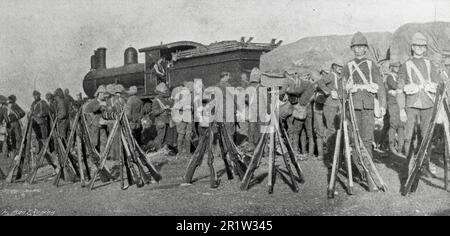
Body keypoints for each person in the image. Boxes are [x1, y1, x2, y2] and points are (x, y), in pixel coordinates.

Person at [343, 32, 386, 191]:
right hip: (353, 107)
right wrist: (345, 90)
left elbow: (380, 85)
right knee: (355, 141)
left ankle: (369, 175)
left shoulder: (371, 64)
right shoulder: (347, 66)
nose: (358, 50)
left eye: (361, 47)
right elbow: (341, 88)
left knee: (367, 141)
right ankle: (360, 170)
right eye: (355, 47)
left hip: (367, 106)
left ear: (365, 49)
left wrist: (382, 105)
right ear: (352, 49)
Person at [398, 32, 442, 176]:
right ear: (412, 47)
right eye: (416, 45)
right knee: (408, 135)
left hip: (428, 104)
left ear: (425, 48)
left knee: (426, 135)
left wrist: (433, 85)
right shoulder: (405, 65)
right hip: (411, 104)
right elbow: (400, 88)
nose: (419, 48)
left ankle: (424, 164)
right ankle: (408, 165)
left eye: (422, 46)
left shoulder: (430, 64)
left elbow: (437, 84)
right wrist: (401, 109)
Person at [317, 62, 344, 158]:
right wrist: (327, 91)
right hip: (330, 105)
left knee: (338, 128)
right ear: (334, 67)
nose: (340, 68)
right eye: (338, 66)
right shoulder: (331, 76)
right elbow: (320, 82)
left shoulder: (340, 77)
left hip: (338, 105)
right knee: (331, 128)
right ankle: (329, 152)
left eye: (341, 66)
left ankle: (336, 151)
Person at [384, 61, 405, 156]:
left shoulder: (398, 77)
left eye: (398, 67)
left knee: (401, 124)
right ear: (391, 67)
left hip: (400, 103)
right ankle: (391, 145)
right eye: (395, 67)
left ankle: (400, 147)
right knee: (393, 124)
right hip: (392, 103)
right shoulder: (389, 77)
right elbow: (395, 86)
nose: (397, 68)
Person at [84, 85, 109, 154]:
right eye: (102, 94)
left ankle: (102, 156)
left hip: (103, 124)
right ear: (98, 94)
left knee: (104, 140)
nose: (103, 95)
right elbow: (87, 111)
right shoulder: (93, 102)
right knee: (95, 141)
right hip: (95, 125)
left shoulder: (105, 102)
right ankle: (94, 155)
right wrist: (100, 105)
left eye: (104, 94)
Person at [152, 82, 172, 151]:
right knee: (160, 137)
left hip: (164, 120)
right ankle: (159, 151)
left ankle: (161, 151)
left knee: (163, 137)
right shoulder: (156, 100)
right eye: (164, 91)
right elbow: (155, 112)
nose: (165, 92)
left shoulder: (161, 99)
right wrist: (163, 109)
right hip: (160, 121)